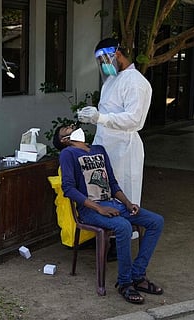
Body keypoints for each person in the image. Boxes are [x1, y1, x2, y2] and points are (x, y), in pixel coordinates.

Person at [53, 124, 164, 304]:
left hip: (114, 204)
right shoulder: (68, 154)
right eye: (66, 129)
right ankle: (125, 283)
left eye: (72, 125)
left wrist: (128, 203)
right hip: (90, 210)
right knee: (123, 227)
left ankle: (138, 276)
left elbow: (111, 182)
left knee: (156, 221)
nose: (73, 126)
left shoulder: (99, 150)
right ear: (64, 140)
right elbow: (68, 189)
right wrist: (99, 208)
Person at [78, 37, 152, 206]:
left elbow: (134, 120)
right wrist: (91, 117)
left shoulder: (135, 81)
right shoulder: (111, 80)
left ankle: (128, 230)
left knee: (125, 190)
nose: (103, 65)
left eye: (104, 60)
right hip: (105, 145)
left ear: (117, 54)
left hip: (124, 148)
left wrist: (101, 118)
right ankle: (110, 228)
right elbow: (107, 113)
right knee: (104, 190)